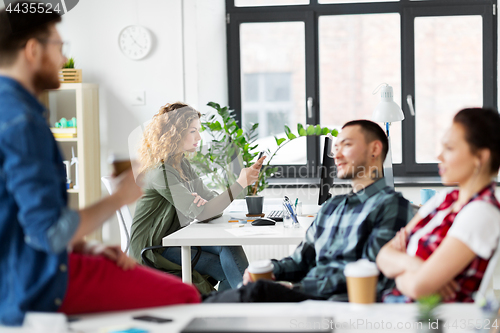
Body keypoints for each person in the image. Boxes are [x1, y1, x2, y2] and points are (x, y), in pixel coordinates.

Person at [0, 2, 199, 326]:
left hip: (23, 270)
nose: (64, 59)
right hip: (36, 283)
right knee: (186, 296)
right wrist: (121, 196)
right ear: (33, 50)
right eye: (59, 47)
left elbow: (19, 217)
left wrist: (82, 246)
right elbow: (48, 233)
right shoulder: (22, 122)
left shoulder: (13, 111)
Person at [204, 119, 413, 303]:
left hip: (334, 303)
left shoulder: (391, 206)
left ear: (375, 149)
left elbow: (368, 273)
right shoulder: (332, 207)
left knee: (241, 298)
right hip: (307, 297)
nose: (336, 154)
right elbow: (301, 261)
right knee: (230, 297)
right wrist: (268, 269)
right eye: (335, 147)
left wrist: (297, 289)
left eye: (346, 145)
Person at [130, 102, 265, 294]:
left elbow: (209, 203)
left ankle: (243, 302)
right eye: (193, 131)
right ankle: (247, 301)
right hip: (155, 248)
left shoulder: (181, 164)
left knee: (228, 246)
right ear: (175, 134)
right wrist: (240, 184)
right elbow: (204, 212)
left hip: (175, 238)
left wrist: (204, 206)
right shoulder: (162, 171)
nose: (199, 137)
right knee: (224, 269)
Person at [376, 108, 500, 303]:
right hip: (399, 309)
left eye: (449, 148)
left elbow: (419, 288)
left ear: (481, 158)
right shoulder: (445, 199)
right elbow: (383, 257)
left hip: (434, 321)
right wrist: (416, 266)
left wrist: (399, 272)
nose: (439, 157)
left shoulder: (482, 213)